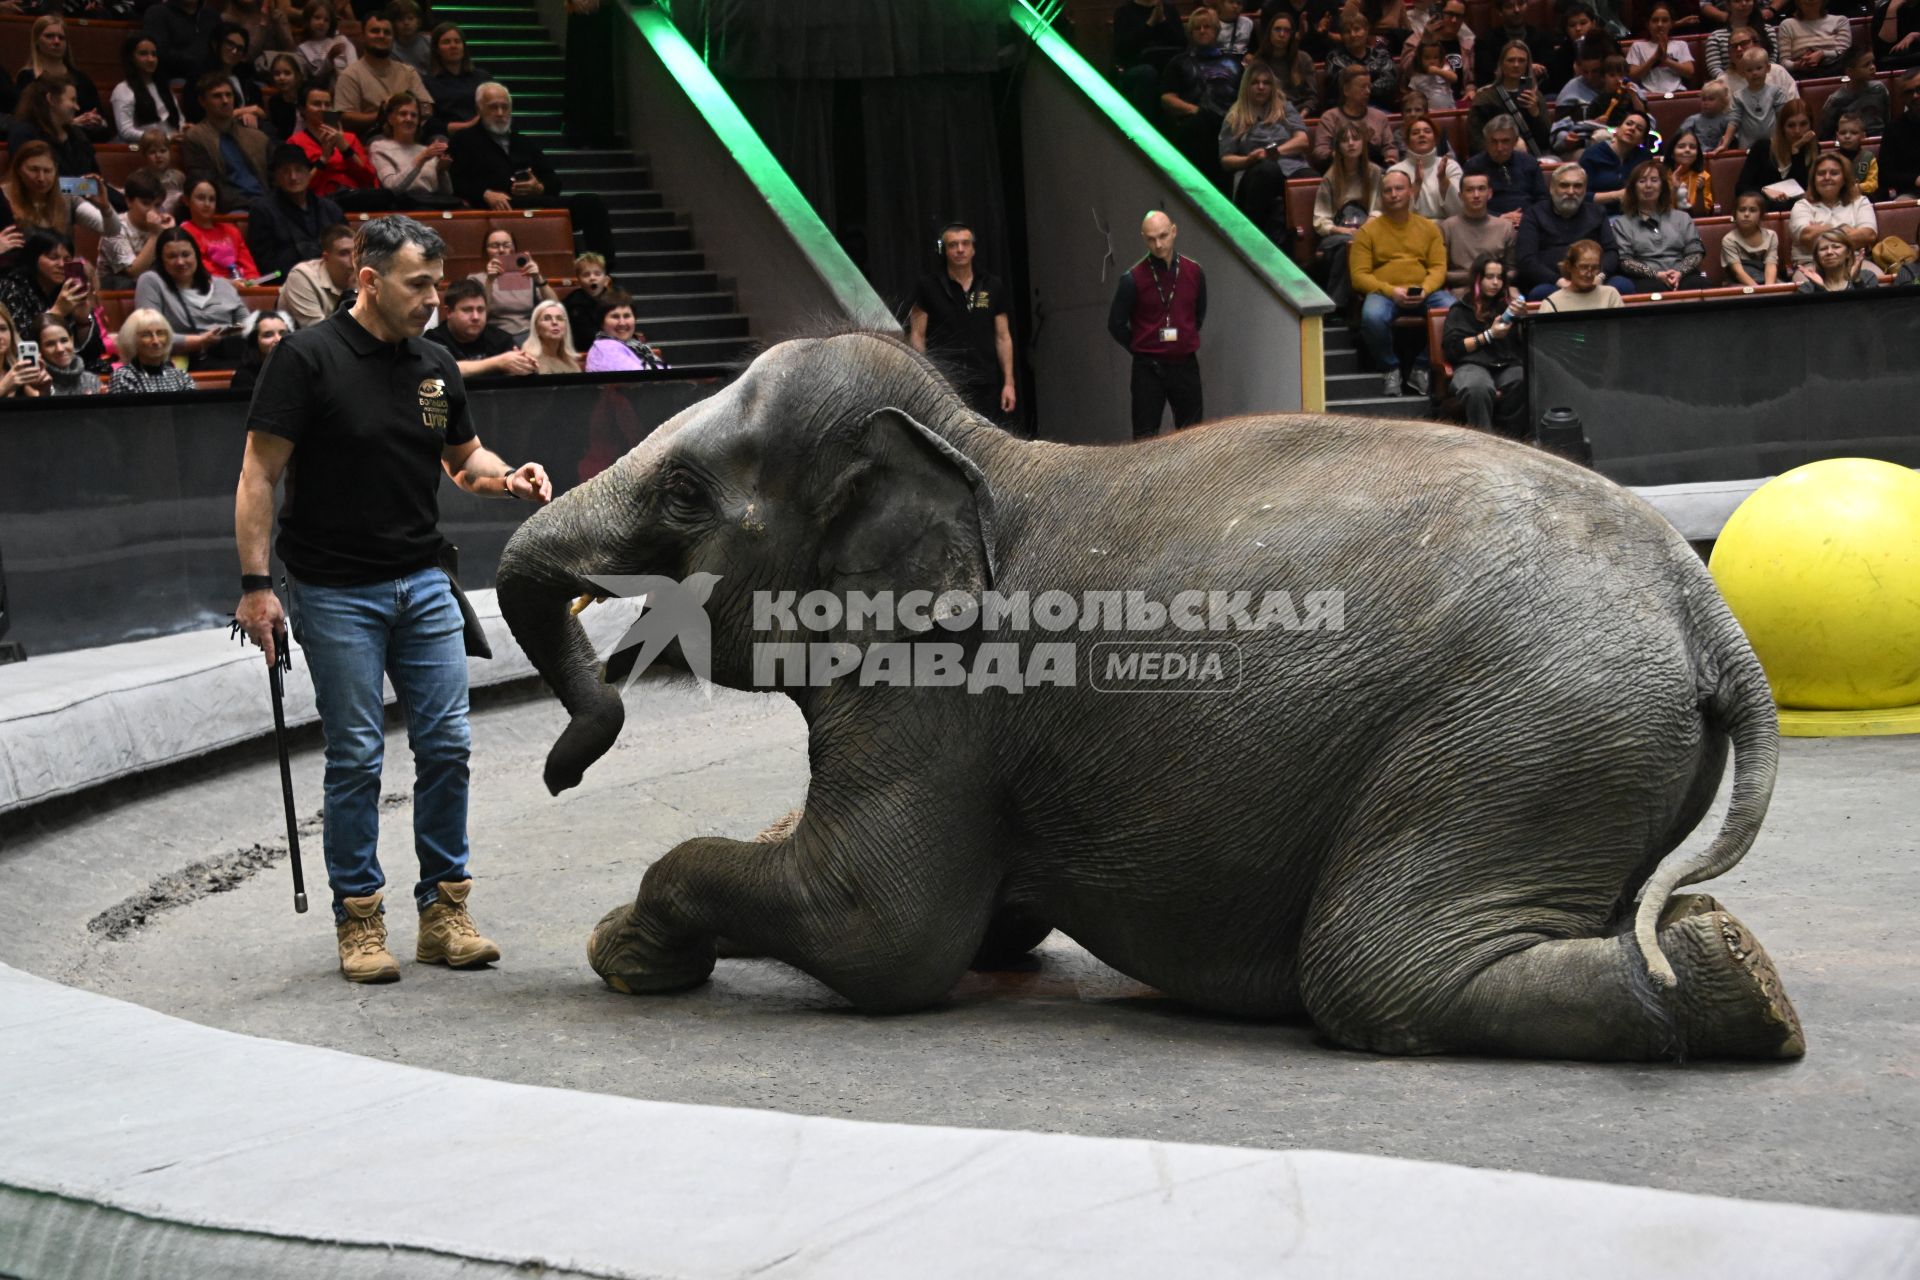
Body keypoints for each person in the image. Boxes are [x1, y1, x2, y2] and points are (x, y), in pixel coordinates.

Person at [233, 214, 554, 983]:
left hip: (425, 583)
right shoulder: (305, 362)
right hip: (334, 590)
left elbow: (461, 456)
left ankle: (444, 911)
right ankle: (361, 918)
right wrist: (254, 588)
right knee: (356, 756)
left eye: (438, 285)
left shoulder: (435, 368)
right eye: (418, 284)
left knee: (447, 747)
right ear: (368, 280)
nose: (432, 300)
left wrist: (507, 476)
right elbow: (258, 476)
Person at [448, 84, 616, 268]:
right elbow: (454, 181)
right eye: (493, 107)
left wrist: (539, 187)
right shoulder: (464, 140)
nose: (500, 112)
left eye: (505, 107)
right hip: (501, 206)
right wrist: (485, 193)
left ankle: (603, 271)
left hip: (539, 202)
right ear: (479, 109)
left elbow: (554, 181)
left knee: (591, 204)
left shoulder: (523, 142)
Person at [1349, 169, 1451, 396]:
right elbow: (1359, 276)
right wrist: (1391, 291)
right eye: (1388, 190)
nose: (1393, 194)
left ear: (1411, 192)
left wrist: (1425, 288)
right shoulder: (1367, 232)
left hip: (1423, 289)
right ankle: (1390, 369)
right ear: (1382, 196)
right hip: (1385, 292)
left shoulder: (1428, 228)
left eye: (1399, 188)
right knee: (1372, 316)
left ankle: (1423, 367)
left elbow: (1438, 268)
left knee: (1452, 310)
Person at [1107, 210, 1207, 438]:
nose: (1158, 244)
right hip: (1149, 367)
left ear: (1174, 231)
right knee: (1145, 437)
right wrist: (1139, 346)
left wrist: (1184, 335)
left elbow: (1198, 314)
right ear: (1144, 238)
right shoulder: (1132, 278)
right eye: (1151, 239)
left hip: (1184, 362)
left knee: (1193, 435)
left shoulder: (1194, 272)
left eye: (1163, 236)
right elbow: (1115, 324)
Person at [907, 222, 1018, 422]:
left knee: (988, 437)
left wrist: (1009, 383)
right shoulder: (929, 287)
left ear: (973, 248)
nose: (960, 249)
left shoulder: (992, 285)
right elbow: (917, 334)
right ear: (944, 250)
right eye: (953, 245)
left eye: (965, 243)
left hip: (985, 379)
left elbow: (1003, 336)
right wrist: (924, 378)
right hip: (947, 381)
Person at [1218, 61, 1313, 249]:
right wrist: (1248, 159)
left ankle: (1305, 246)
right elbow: (1225, 160)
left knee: (1310, 179)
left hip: (1290, 166)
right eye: (1255, 83)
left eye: (1266, 83)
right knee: (1269, 170)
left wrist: (1275, 151)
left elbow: (1303, 140)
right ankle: (1253, 240)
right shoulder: (1235, 115)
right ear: (1247, 86)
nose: (1261, 87)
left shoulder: (1284, 108)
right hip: (1255, 172)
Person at [134, 226, 251, 366]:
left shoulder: (222, 285)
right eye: (172, 256)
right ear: (161, 260)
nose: (180, 262)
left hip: (232, 355)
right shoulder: (152, 281)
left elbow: (248, 324)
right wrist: (199, 341)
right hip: (185, 361)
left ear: (196, 255)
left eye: (185, 254)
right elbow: (148, 334)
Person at [1515, 162, 1633, 296]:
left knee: (1622, 285)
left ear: (1585, 189)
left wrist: (1599, 277)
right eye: (1564, 185)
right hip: (1553, 283)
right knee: (1541, 293)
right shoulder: (1534, 214)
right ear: (1552, 188)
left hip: (1594, 279)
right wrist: (1559, 281)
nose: (1571, 192)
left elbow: (1611, 251)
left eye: (1577, 186)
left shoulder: (1597, 212)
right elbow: (1526, 259)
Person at [1441, 253, 1525, 433]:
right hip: (1471, 363)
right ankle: (1484, 442)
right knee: (1477, 387)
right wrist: (1489, 335)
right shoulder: (1461, 309)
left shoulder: (1507, 308)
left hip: (1505, 364)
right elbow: (1453, 349)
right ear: (1478, 278)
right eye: (1489, 277)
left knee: (1522, 379)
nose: (1496, 283)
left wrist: (1522, 320)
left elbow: (1521, 345)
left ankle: (1512, 440)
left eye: (1500, 278)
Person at [0, 230, 106, 372]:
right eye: (53, 257)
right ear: (34, 258)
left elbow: (94, 352)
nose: (62, 264)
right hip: (30, 368)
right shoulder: (12, 287)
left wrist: (83, 321)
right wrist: (58, 311)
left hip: (70, 365)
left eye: (67, 259)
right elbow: (19, 345)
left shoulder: (70, 288)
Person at [1160, 7, 1243, 189]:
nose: (1202, 31)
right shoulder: (1178, 63)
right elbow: (1167, 98)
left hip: (1230, 123)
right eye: (1197, 28)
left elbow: (1245, 97)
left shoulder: (1234, 62)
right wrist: (1194, 110)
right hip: (1196, 126)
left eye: (1207, 27)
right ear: (1190, 33)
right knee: (1200, 124)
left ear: (1216, 30)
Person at [245, 144, 346, 279]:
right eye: (286, 171)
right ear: (276, 176)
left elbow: (348, 250)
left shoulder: (330, 209)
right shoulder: (262, 211)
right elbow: (266, 264)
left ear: (308, 173)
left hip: (333, 279)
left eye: (298, 170)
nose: (293, 177)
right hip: (289, 282)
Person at [1312, 121, 1383, 305]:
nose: (1351, 143)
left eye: (1355, 138)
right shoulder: (1330, 176)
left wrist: (1365, 227)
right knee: (1347, 244)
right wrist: (1341, 231)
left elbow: (1379, 208)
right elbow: (1320, 219)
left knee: (1355, 244)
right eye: (1345, 140)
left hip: (1369, 231)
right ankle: (1341, 304)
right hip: (1337, 234)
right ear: (1338, 147)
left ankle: (1337, 304)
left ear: (1363, 143)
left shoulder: (1374, 172)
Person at [1611, 160, 1709, 291]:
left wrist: (1679, 273)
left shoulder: (1682, 218)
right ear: (1633, 188)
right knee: (1652, 289)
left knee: (1701, 284)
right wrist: (1655, 274)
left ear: (1662, 186)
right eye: (1642, 181)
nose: (1648, 185)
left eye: (1654, 180)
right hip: (1646, 279)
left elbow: (1695, 252)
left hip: (1682, 275)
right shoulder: (1622, 223)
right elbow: (1625, 261)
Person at [181, 73, 271, 211]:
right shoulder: (195, 137)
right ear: (202, 101)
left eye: (229, 95)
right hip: (233, 207)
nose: (225, 101)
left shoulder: (257, 137)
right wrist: (252, 205)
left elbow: (275, 176)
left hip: (266, 204)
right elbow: (206, 183)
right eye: (217, 96)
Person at [334, 13, 435, 135]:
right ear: (363, 36)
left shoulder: (408, 72)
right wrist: (383, 115)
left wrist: (404, 112)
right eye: (375, 31)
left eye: (387, 32)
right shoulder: (350, 75)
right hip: (374, 137)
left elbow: (427, 108)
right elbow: (345, 118)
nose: (382, 36)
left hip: (412, 134)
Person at [290, 84, 387, 211]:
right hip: (319, 201)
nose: (323, 109)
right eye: (317, 104)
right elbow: (298, 186)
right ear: (302, 109)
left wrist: (345, 148)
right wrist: (324, 158)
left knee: (387, 196)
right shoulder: (295, 142)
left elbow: (368, 178)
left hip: (354, 196)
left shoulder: (349, 138)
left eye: (327, 105)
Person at [0, 141, 118, 243]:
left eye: (47, 171)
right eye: (33, 170)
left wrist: (105, 208)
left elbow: (113, 231)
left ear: (56, 170)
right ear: (18, 170)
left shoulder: (67, 188)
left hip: (62, 265)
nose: (41, 178)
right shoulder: (3, 195)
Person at [13, 18, 110, 142]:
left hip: (83, 142)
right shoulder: (28, 77)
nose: (56, 41)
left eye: (61, 37)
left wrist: (96, 120)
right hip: (46, 142)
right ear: (37, 41)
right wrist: (70, 123)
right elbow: (25, 121)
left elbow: (102, 120)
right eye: (49, 36)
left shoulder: (81, 79)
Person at [425, 277, 537, 377]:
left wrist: (524, 364)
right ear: (449, 312)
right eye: (467, 310)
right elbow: (443, 370)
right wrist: (499, 362)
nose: (476, 317)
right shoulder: (432, 341)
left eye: (480, 310)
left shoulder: (501, 338)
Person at [1788, 150, 1879, 269]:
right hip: (1811, 263)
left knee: (1876, 281)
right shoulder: (1802, 205)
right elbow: (1807, 237)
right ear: (1813, 180)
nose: (1827, 177)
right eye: (1821, 173)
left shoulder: (1860, 202)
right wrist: (1843, 229)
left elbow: (1869, 235)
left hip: (1855, 261)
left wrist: (1821, 229)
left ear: (1844, 179)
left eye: (1834, 173)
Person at [470, 227, 557, 339]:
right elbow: (479, 314)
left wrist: (538, 278)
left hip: (531, 336)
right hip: (495, 337)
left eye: (507, 245)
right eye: (495, 246)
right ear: (485, 251)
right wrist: (490, 281)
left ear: (514, 249)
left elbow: (555, 306)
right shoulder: (476, 279)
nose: (501, 250)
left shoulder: (528, 276)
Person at [1469, 39, 1552, 153]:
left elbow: (1546, 140)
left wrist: (1535, 113)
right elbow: (1475, 139)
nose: (1516, 65)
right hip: (1497, 155)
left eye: (1521, 61)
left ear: (1527, 65)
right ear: (1501, 64)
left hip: (1534, 157)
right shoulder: (1485, 97)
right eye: (1511, 60)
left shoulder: (1535, 95)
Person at [370, 92, 454, 205]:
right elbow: (392, 188)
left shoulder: (425, 150)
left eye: (414, 115)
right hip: (401, 208)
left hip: (431, 206)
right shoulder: (380, 147)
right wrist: (422, 158)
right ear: (391, 119)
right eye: (403, 114)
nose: (409, 119)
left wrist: (441, 171)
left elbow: (447, 193)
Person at [9, 75, 101, 177]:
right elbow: (36, 180)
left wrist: (98, 187)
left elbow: (95, 176)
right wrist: (86, 187)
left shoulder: (76, 134)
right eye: (72, 100)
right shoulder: (25, 134)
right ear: (51, 99)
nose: (77, 107)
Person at [98, 170, 176, 288]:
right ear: (129, 201)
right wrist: (155, 235)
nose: (152, 211)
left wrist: (171, 235)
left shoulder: (162, 225)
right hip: (116, 289)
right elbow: (132, 272)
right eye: (145, 203)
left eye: (157, 205)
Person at [1738, 97, 1818, 208]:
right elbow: (1742, 188)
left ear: (1811, 125)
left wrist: (1796, 152)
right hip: (1765, 210)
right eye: (1791, 125)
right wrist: (1765, 191)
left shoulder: (1814, 150)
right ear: (1782, 127)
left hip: (1801, 210)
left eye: (1803, 124)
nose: (1797, 131)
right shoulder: (1762, 148)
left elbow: (1801, 187)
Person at [1465, 115, 1548, 222]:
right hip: (1488, 223)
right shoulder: (1473, 166)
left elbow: (1543, 199)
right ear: (1486, 142)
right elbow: (1468, 202)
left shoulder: (1529, 162)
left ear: (1515, 142)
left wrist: (1527, 217)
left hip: (1528, 221)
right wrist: (1498, 217)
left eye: (1505, 141)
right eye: (1494, 142)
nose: (1499, 148)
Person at [1441, 171, 1516, 288]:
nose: (1476, 195)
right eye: (1470, 190)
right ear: (1460, 196)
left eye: (1481, 189)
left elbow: (1513, 270)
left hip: (1497, 288)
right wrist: (1479, 277)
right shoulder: (1448, 227)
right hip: (1460, 290)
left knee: (1519, 301)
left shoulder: (1505, 227)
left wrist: (1492, 278)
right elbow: (1440, 272)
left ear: (1489, 193)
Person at [177, 175, 261, 280]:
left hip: (243, 287)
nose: (207, 204)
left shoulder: (231, 230)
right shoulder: (184, 232)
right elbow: (202, 271)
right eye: (201, 198)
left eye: (212, 199)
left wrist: (252, 281)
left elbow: (249, 267)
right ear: (186, 201)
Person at [184, 22, 267, 127]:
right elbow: (198, 117)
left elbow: (260, 112)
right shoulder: (198, 78)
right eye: (230, 44)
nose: (234, 51)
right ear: (215, 44)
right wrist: (244, 111)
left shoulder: (246, 80)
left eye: (240, 48)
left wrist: (251, 114)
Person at [1313, 64, 1398, 164]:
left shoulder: (1380, 117)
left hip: (1375, 168)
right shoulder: (1330, 118)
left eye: (1369, 86)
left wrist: (1390, 157)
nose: (1368, 91)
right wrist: (1346, 154)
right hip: (1341, 169)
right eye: (1362, 87)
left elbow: (1390, 147)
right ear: (1346, 90)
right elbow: (1320, 151)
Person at [421, 22, 494, 137]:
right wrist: (467, 126)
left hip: (483, 134)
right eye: (446, 42)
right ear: (437, 49)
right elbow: (428, 123)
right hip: (448, 138)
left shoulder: (482, 77)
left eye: (457, 41)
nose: (453, 46)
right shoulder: (427, 82)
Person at [278, 221, 355, 327]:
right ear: (326, 258)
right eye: (344, 253)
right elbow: (317, 334)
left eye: (356, 253)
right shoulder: (302, 276)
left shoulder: (364, 275)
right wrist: (350, 293)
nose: (354, 259)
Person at [110, 34, 183, 142]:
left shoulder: (162, 87)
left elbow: (179, 119)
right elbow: (125, 131)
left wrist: (183, 129)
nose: (151, 59)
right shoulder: (123, 90)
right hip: (144, 149)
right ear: (131, 57)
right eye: (143, 54)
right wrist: (166, 138)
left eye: (154, 54)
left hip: (171, 144)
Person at [1322, 11, 1400, 110]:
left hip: (1379, 108)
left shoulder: (1381, 54)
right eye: (1347, 31)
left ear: (1366, 31)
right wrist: (1371, 81)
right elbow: (1340, 86)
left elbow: (1389, 82)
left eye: (1357, 29)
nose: (1353, 35)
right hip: (1344, 111)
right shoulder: (1334, 57)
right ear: (1341, 36)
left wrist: (1359, 87)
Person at [108, 308, 198, 392]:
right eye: (146, 335)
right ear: (132, 340)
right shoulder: (124, 377)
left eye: (161, 334)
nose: (156, 341)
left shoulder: (181, 377)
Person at [1390, 117, 1463, 218]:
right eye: (1415, 133)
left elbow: (1460, 210)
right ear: (1407, 142)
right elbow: (1395, 215)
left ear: (1435, 139)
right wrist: (1416, 185)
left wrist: (1443, 181)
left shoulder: (1450, 166)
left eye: (1427, 131)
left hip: (1447, 227)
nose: (1422, 135)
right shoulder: (1396, 172)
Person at [1579, 109, 1651, 209]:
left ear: (1641, 140)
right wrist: (1617, 195)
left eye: (1639, 128)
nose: (1632, 129)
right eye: (1629, 124)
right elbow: (1580, 195)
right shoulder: (1592, 154)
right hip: (1598, 214)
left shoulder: (1644, 157)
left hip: (1633, 213)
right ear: (1617, 129)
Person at [1253, 10, 1320, 112]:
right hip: (1268, 115)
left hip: (1299, 115)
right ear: (1269, 32)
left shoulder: (1304, 59)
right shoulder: (1259, 61)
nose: (1282, 34)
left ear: (1292, 35)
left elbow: (1311, 97)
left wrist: (1301, 118)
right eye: (1277, 29)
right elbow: (1252, 97)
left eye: (1287, 30)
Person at [1475, 0, 1553, 87]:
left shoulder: (1542, 37)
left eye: (1521, 4)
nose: (1517, 10)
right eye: (1509, 6)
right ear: (1500, 11)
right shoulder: (1486, 40)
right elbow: (1486, 75)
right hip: (1499, 94)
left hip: (1538, 92)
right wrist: (1527, 70)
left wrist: (1523, 82)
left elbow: (1548, 73)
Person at [583, 293, 669, 371]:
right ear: (601, 323)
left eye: (627, 316)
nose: (622, 323)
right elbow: (643, 379)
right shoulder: (605, 348)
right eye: (615, 316)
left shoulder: (636, 346)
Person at [1731, 46, 1793, 149]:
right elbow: (1733, 121)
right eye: (1749, 70)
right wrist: (1725, 143)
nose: (1754, 73)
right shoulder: (1738, 96)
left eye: (1759, 68)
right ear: (1743, 73)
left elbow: (1783, 117)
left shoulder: (1777, 92)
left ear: (1767, 68)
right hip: (1747, 148)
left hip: (1775, 145)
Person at [1628, 3, 1697, 94]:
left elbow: (1690, 72)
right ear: (1647, 24)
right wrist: (1655, 57)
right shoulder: (1637, 46)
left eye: (1665, 20)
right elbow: (1632, 76)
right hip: (1648, 93)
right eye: (1655, 20)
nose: (1660, 25)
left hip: (1677, 92)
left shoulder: (1681, 45)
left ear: (1671, 24)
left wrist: (1666, 60)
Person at [1820, 50, 1891, 137]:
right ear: (1850, 72)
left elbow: (1887, 120)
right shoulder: (1836, 100)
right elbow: (1827, 133)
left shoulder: (1879, 89)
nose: (1872, 67)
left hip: (1880, 137)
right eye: (1866, 65)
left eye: (1873, 62)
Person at [1540, 237, 1626, 308]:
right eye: (1583, 267)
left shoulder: (1610, 295)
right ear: (1570, 267)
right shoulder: (1552, 304)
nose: (1589, 274)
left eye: (1595, 268)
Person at [1718, 27, 1801, 97]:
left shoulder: (1778, 72)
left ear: (1756, 45)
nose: (1739, 49)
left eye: (1744, 43)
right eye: (1734, 46)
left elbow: (1793, 104)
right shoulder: (1722, 83)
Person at [1721, 189, 1782, 283]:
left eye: (1753, 210)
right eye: (1742, 210)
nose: (1746, 214)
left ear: (1761, 215)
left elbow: (1771, 265)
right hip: (1739, 283)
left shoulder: (1771, 235)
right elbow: (1738, 273)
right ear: (1735, 214)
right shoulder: (1729, 239)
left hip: (1766, 280)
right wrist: (1759, 292)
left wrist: (1768, 290)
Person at [1705, 0, 1779, 78]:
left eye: (1748, 0)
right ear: (1728, 5)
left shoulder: (1767, 30)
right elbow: (1714, 69)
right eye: (1737, 1)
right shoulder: (1716, 37)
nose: (1744, 4)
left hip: (1764, 81)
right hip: (1731, 85)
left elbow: (1771, 62)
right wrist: (1733, 82)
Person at [32, 312, 101, 395]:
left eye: (64, 340)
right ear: (39, 349)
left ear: (72, 340)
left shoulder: (91, 380)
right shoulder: (34, 384)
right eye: (50, 344)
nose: (60, 349)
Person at [1778, 0, 1851, 75]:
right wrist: (1797, 65)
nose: (1810, 1)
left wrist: (1822, 54)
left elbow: (1845, 52)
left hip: (1835, 69)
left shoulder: (1840, 21)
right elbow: (1784, 62)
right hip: (1801, 73)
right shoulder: (1787, 24)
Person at [562, 251, 617, 350]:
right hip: (582, 352)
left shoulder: (616, 300)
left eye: (597, 274)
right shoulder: (572, 302)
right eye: (586, 275)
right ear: (579, 280)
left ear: (605, 279)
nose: (592, 278)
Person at [227, 308, 290, 394]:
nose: (278, 339)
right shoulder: (244, 377)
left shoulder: (300, 370)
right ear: (254, 342)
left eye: (283, 333)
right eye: (268, 335)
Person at [144, 0, 207, 86]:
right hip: (174, 77)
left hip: (210, 76)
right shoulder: (157, 13)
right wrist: (196, 62)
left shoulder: (211, 15)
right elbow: (159, 52)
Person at [295, 0, 358, 85]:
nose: (321, 23)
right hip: (323, 86)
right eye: (317, 18)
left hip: (350, 81)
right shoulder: (303, 49)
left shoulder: (341, 40)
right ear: (308, 20)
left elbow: (354, 64)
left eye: (326, 20)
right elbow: (315, 76)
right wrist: (330, 58)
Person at [1795, 225, 1877, 288]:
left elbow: (1872, 307)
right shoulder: (1808, 287)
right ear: (1817, 257)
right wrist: (1820, 288)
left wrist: (1856, 282)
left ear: (1848, 252)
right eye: (1823, 249)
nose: (1829, 252)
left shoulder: (1867, 277)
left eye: (1836, 247)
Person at [0, 301, 51, 399]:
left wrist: (44, 391)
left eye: (3, 329)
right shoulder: (13, 376)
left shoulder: (15, 371)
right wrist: (5, 386)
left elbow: (37, 408)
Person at [522, 298, 579, 374]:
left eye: (559, 318)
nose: (555, 322)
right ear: (536, 328)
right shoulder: (529, 361)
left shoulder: (571, 363)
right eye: (547, 318)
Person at [1666, 129, 1716, 215]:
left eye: (1692, 147)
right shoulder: (1662, 176)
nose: (1687, 150)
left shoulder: (1703, 176)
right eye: (1681, 146)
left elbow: (1701, 215)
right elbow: (1661, 212)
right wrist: (1674, 188)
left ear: (1697, 154)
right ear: (1672, 153)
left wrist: (1699, 191)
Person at [1885, 74, 1920, 197]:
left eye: (1919, 89)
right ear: (1902, 98)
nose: (1915, 96)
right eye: (1909, 92)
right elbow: (1886, 174)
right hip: (1912, 193)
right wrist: (1915, 179)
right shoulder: (1893, 129)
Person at [1405, 35, 1461, 109]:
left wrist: (1438, 71)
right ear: (1419, 59)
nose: (1431, 62)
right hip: (1429, 111)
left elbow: (1454, 78)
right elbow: (1414, 96)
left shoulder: (1444, 69)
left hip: (1449, 109)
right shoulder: (1416, 76)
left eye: (1435, 57)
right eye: (1427, 58)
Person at [1832, 111, 1880, 197]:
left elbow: (1873, 184)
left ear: (1863, 136)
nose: (1847, 136)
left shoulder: (1868, 157)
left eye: (1853, 133)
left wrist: (1858, 187)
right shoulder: (1831, 158)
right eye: (1843, 133)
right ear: (1837, 136)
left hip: (1863, 199)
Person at [1683, 80, 1737, 154]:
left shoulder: (1728, 120)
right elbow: (1682, 138)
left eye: (1711, 99)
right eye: (1703, 99)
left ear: (1723, 102)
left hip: (1719, 155)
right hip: (1696, 155)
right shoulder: (1693, 120)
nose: (1706, 103)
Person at [139, 126, 187, 203]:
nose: (158, 156)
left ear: (170, 152)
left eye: (163, 151)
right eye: (152, 152)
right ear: (145, 156)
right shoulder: (139, 178)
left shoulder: (179, 177)